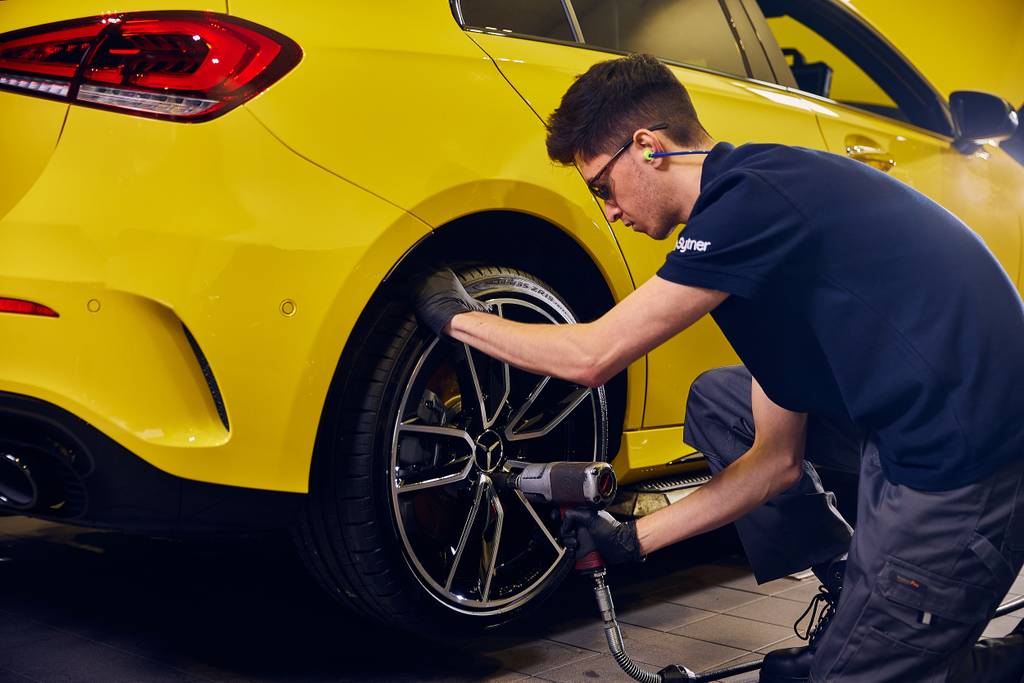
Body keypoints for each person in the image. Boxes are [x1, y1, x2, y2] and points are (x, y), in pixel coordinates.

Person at [413, 53, 1024, 682]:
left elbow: (591, 357)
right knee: (720, 398)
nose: (610, 212)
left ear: (648, 148)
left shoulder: (749, 201)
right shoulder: (755, 223)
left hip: (968, 467)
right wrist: (634, 537)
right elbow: (774, 463)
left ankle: (964, 653)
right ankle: (860, 600)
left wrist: (456, 315)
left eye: (602, 187)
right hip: (914, 425)